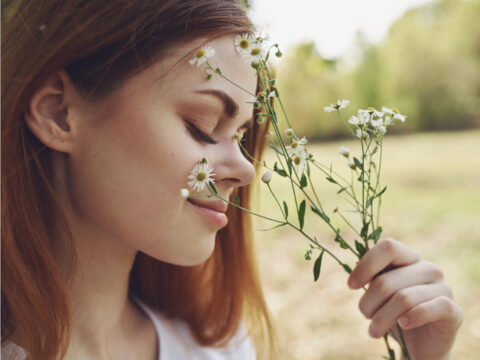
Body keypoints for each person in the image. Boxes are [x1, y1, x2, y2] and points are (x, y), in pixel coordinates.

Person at [1, 1, 463, 359]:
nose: (245, 169)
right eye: (202, 125)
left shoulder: (216, 348)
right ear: (58, 113)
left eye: (242, 136)